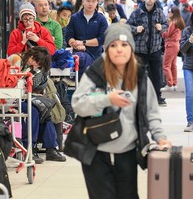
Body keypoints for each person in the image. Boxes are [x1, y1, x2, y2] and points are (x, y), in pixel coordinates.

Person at [70, 23, 171, 199]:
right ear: (106, 49)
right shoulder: (95, 73)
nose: (119, 50)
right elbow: (78, 104)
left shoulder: (140, 76)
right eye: (113, 45)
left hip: (128, 152)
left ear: (131, 48)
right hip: (96, 152)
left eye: (124, 45)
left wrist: (161, 138)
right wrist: (107, 99)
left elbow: (152, 113)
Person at [20, 47, 66, 163]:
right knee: (35, 111)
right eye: (33, 59)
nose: (33, 62)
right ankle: (31, 148)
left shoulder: (42, 72)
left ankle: (51, 148)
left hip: (31, 98)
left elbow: (35, 85)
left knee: (44, 112)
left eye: (37, 61)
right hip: (17, 99)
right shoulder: (19, 61)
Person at [127, 0, 168, 106]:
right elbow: (128, 26)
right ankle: (139, 97)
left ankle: (157, 96)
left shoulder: (159, 12)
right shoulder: (137, 12)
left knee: (156, 75)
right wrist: (136, 29)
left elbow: (166, 25)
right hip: (140, 50)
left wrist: (162, 27)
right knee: (138, 75)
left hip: (155, 48)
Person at [161, 6, 185, 91]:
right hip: (176, 44)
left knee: (166, 65)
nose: (168, 13)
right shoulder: (178, 21)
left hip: (170, 45)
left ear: (173, 13)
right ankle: (174, 83)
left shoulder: (173, 23)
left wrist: (161, 32)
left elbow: (167, 34)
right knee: (173, 65)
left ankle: (170, 84)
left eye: (170, 12)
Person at [180, 13, 193, 132]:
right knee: (190, 94)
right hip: (189, 66)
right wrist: (189, 40)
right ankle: (190, 121)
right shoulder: (187, 30)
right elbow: (182, 50)